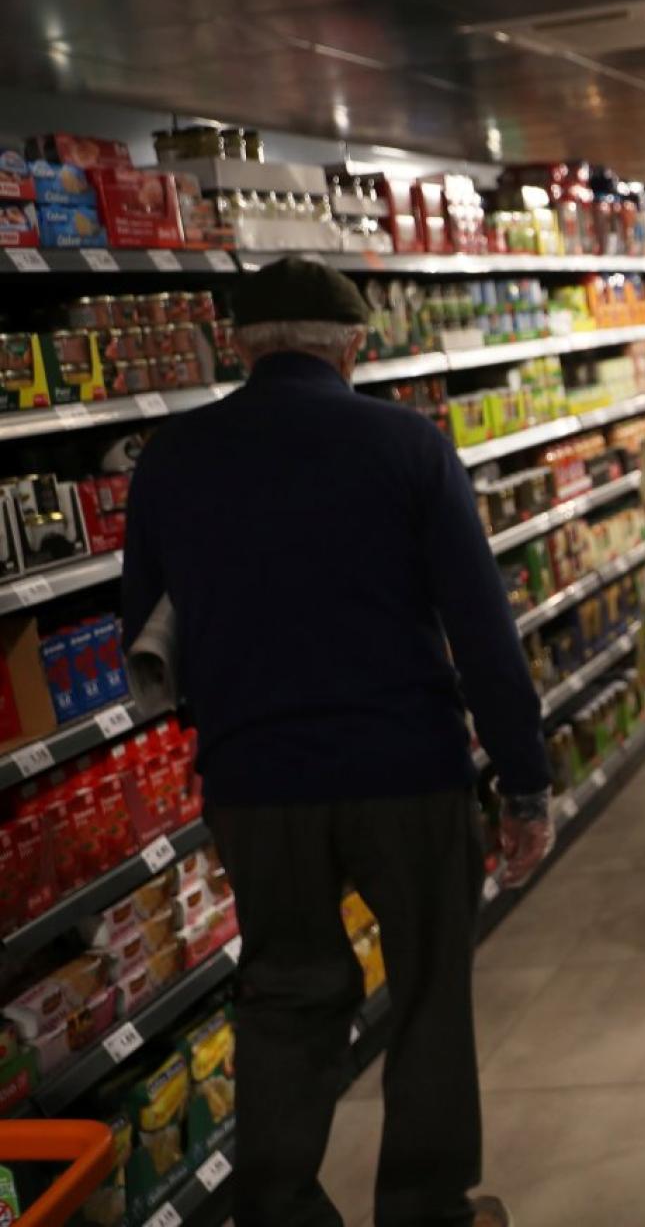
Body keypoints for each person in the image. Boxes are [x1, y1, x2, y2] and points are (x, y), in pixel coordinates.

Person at [121, 258, 554, 1227]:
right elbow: (481, 629)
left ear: (237, 345)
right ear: (353, 346)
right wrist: (523, 784)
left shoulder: (172, 456)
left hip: (255, 776)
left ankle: (277, 1210)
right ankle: (424, 1207)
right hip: (406, 766)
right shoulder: (405, 443)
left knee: (285, 991)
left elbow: (145, 631)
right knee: (431, 988)